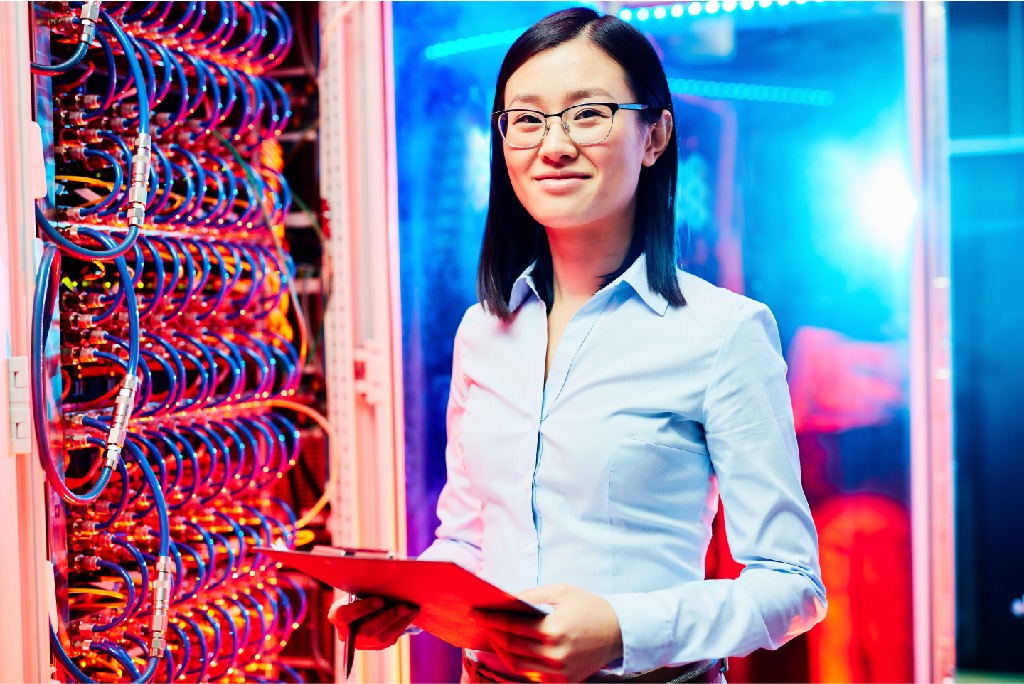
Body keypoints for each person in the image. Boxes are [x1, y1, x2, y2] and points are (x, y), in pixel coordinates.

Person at [328, 7, 827, 682]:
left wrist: (622, 630)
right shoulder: (483, 330)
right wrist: (410, 600)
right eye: (526, 119)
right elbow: (468, 539)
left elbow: (792, 585)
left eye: (587, 113)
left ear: (655, 136)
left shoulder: (724, 333)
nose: (552, 145)